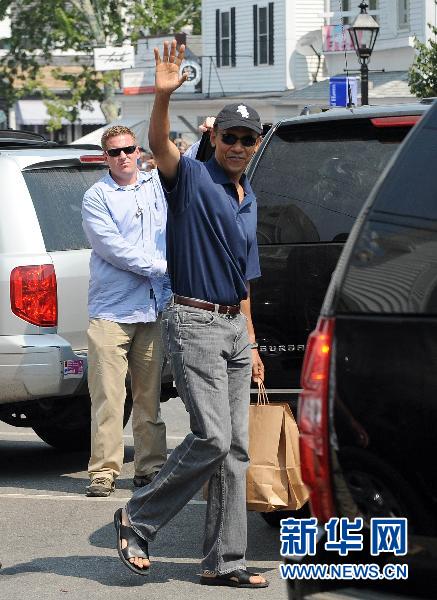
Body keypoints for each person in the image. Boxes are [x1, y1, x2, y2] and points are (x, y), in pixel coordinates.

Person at [113, 40, 268, 589]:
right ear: (215, 138)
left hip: (233, 328)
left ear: (255, 145)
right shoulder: (193, 180)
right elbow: (159, 144)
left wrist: (252, 342)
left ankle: (224, 562)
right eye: (230, 137)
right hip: (195, 321)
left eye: (247, 139)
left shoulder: (248, 198)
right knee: (213, 438)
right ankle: (138, 518)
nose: (238, 146)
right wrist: (162, 96)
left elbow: (245, 280)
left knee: (236, 451)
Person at [82, 125, 170, 497]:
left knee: (149, 397)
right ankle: (103, 471)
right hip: (111, 312)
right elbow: (112, 247)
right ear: (105, 157)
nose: (123, 157)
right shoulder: (96, 196)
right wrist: (162, 267)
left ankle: (151, 467)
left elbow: (191, 164)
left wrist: (209, 135)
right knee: (108, 397)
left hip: (151, 308)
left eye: (128, 149)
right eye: (115, 152)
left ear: (138, 151)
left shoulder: (155, 185)